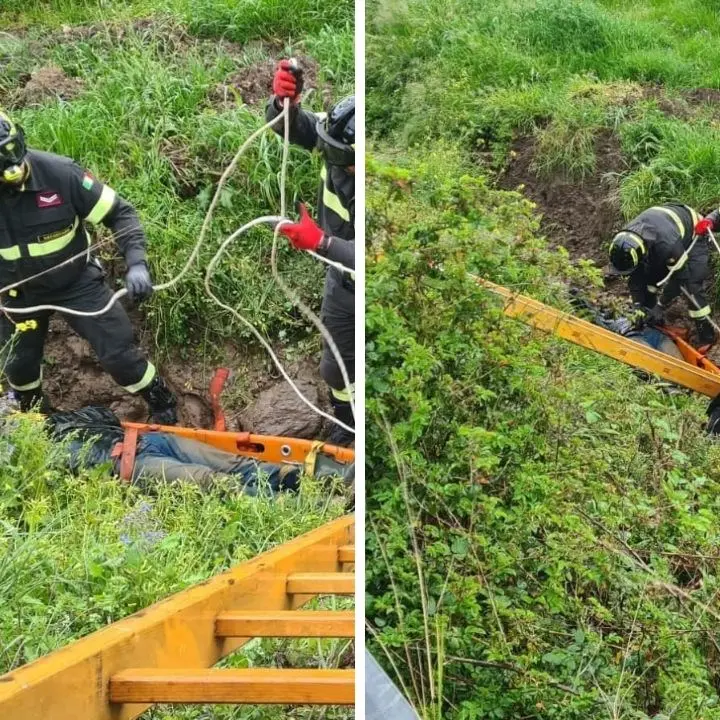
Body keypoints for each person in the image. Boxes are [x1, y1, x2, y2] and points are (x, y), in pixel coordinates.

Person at [0, 110, 177, 423]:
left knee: (119, 355)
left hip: (76, 284)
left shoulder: (61, 174)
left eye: (18, 163)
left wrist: (137, 264)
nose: (16, 173)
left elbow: (120, 214)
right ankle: (37, 423)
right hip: (16, 295)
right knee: (18, 368)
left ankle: (162, 401)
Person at [266, 61, 355, 446]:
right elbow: (290, 128)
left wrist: (322, 243)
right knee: (336, 367)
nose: (340, 169)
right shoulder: (338, 140)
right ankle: (345, 420)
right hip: (342, 285)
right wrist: (284, 103)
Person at [12, 404, 353, 493]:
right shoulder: (31, 462)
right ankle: (323, 506)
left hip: (149, 441)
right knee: (210, 482)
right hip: (129, 468)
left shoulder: (55, 423)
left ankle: (332, 476)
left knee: (235, 463)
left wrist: (46, 421)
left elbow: (102, 413)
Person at [608, 202, 717, 348]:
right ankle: (653, 321)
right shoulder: (627, 240)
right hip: (661, 235)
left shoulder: (667, 246)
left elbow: (680, 279)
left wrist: (661, 304)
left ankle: (707, 336)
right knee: (648, 282)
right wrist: (637, 305)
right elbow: (636, 276)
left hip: (693, 236)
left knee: (692, 286)